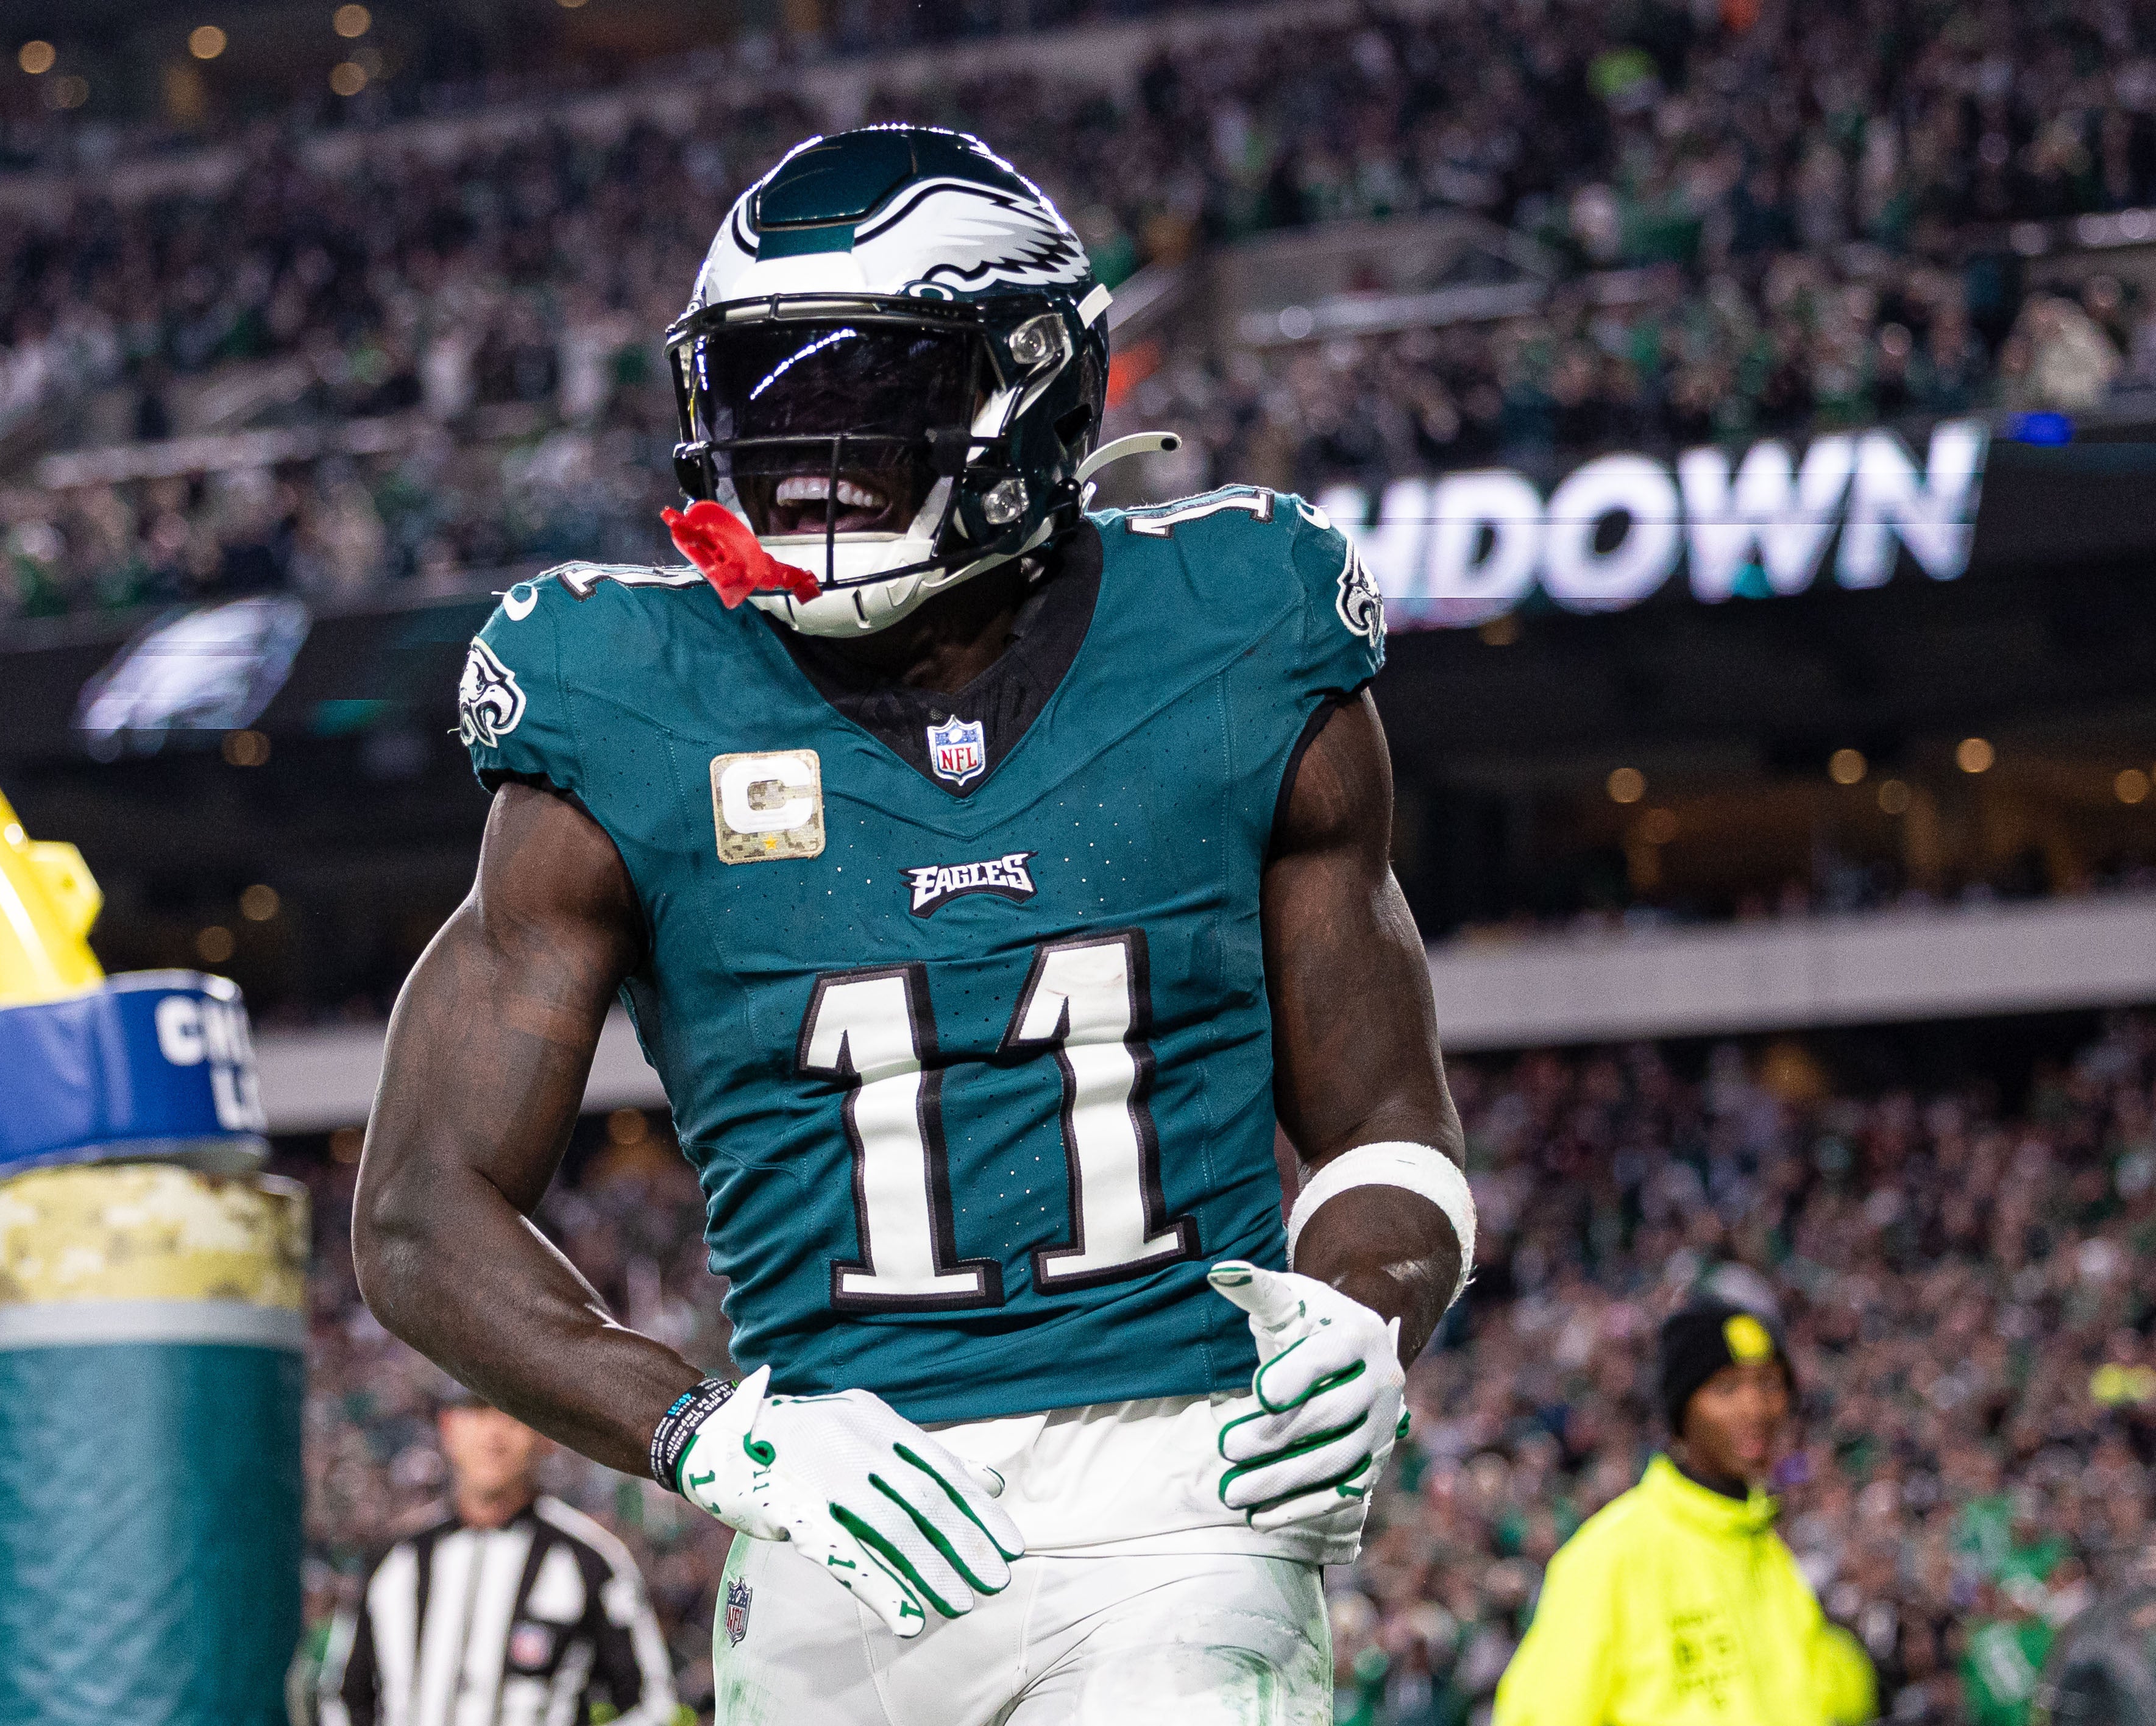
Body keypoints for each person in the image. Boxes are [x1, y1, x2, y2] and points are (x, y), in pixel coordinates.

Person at [355, 123, 1475, 1725]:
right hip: (834, 1505)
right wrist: (705, 1429)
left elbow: (1381, 1110)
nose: (796, 465)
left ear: (1028, 384)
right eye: (758, 403)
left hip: (1182, 1481)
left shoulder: (1229, 638)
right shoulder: (627, 704)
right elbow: (416, 1207)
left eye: (858, 402)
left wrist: (1370, 1312)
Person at [1491, 1297, 1877, 1726]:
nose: (1755, 1408)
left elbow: (1826, 1696)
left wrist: (1865, 1662)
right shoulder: (1612, 1556)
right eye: (1726, 1388)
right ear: (1681, 1413)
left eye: (1769, 1383)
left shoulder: (1772, 1557)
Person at [315, 1392, 674, 1726]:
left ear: (545, 1435)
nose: (495, 1434)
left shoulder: (591, 1559)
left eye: (513, 1414)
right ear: (448, 1427)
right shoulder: (394, 1556)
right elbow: (343, 1694)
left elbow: (651, 1703)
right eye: (478, 1411)